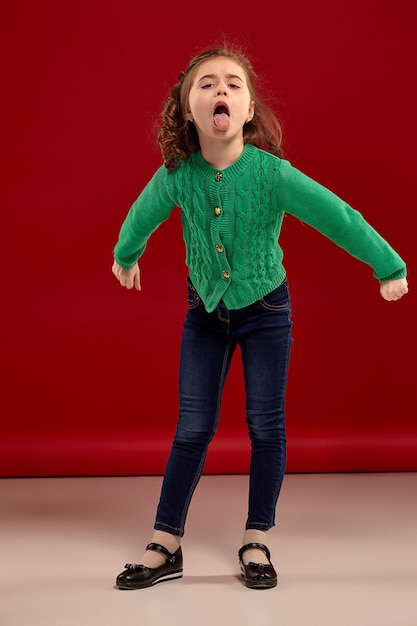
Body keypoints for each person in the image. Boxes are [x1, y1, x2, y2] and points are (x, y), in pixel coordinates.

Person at [111, 45, 408, 591]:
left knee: (265, 426)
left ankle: (256, 537)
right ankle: (166, 541)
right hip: (204, 312)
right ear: (186, 108)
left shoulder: (272, 174)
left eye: (232, 84)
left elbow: (336, 215)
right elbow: (141, 213)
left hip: (266, 310)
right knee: (192, 427)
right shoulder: (177, 174)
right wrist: (125, 255)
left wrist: (386, 264)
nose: (219, 90)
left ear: (247, 110)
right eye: (206, 84)